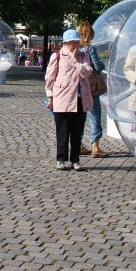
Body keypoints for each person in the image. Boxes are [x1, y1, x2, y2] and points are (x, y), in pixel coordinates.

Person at [45, 29, 94, 171]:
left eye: (77, 42)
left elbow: (87, 73)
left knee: (77, 131)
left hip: (80, 99)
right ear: (65, 43)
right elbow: (50, 78)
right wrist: (50, 97)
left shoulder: (83, 55)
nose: (75, 45)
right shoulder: (57, 56)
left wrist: (76, 61)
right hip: (63, 98)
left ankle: (75, 160)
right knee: (63, 131)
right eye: (72, 43)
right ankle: (61, 159)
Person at [76, 22, 107, 158]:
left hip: (78, 86)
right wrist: (102, 64)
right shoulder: (90, 49)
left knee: (80, 116)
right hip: (91, 86)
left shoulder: (75, 48)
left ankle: (78, 144)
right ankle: (95, 147)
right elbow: (98, 66)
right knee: (95, 115)